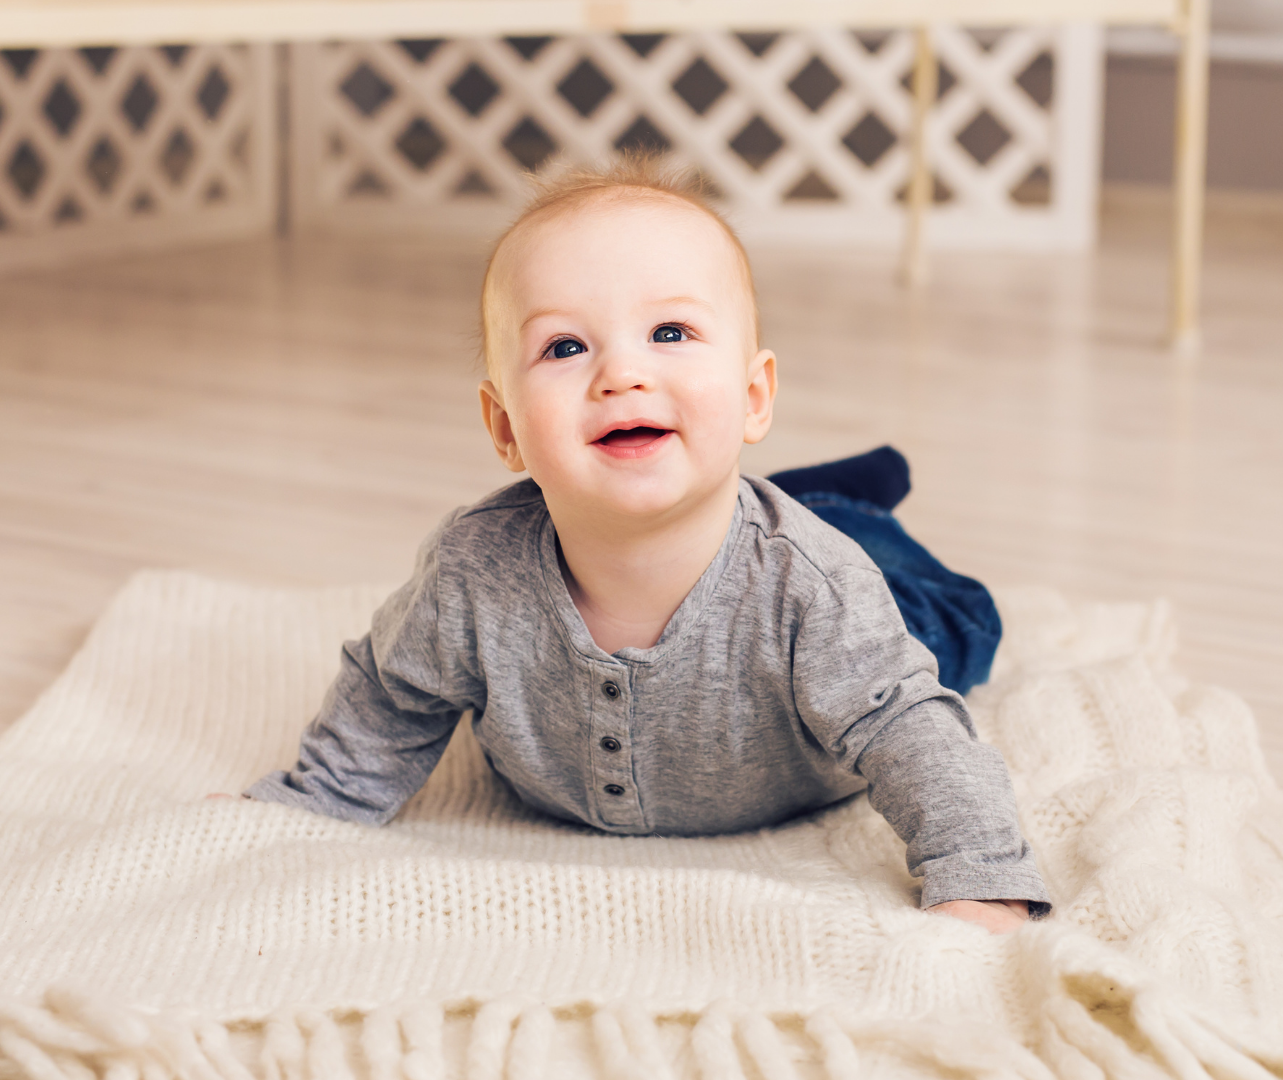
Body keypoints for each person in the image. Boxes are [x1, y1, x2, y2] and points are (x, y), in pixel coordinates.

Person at [241, 155, 1049, 934]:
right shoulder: (471, 573)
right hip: (757, 531)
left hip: (866, 596)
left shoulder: (814, 588)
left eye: (669, 331)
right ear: (504, 427)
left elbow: (908, 727)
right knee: (804, 520)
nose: (621, 374)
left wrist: (976, 875)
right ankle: (824, 493)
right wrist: (318, 801)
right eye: (565, 347)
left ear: (753, 395)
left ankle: (847, 503)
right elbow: (393, 692)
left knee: (956, 623)